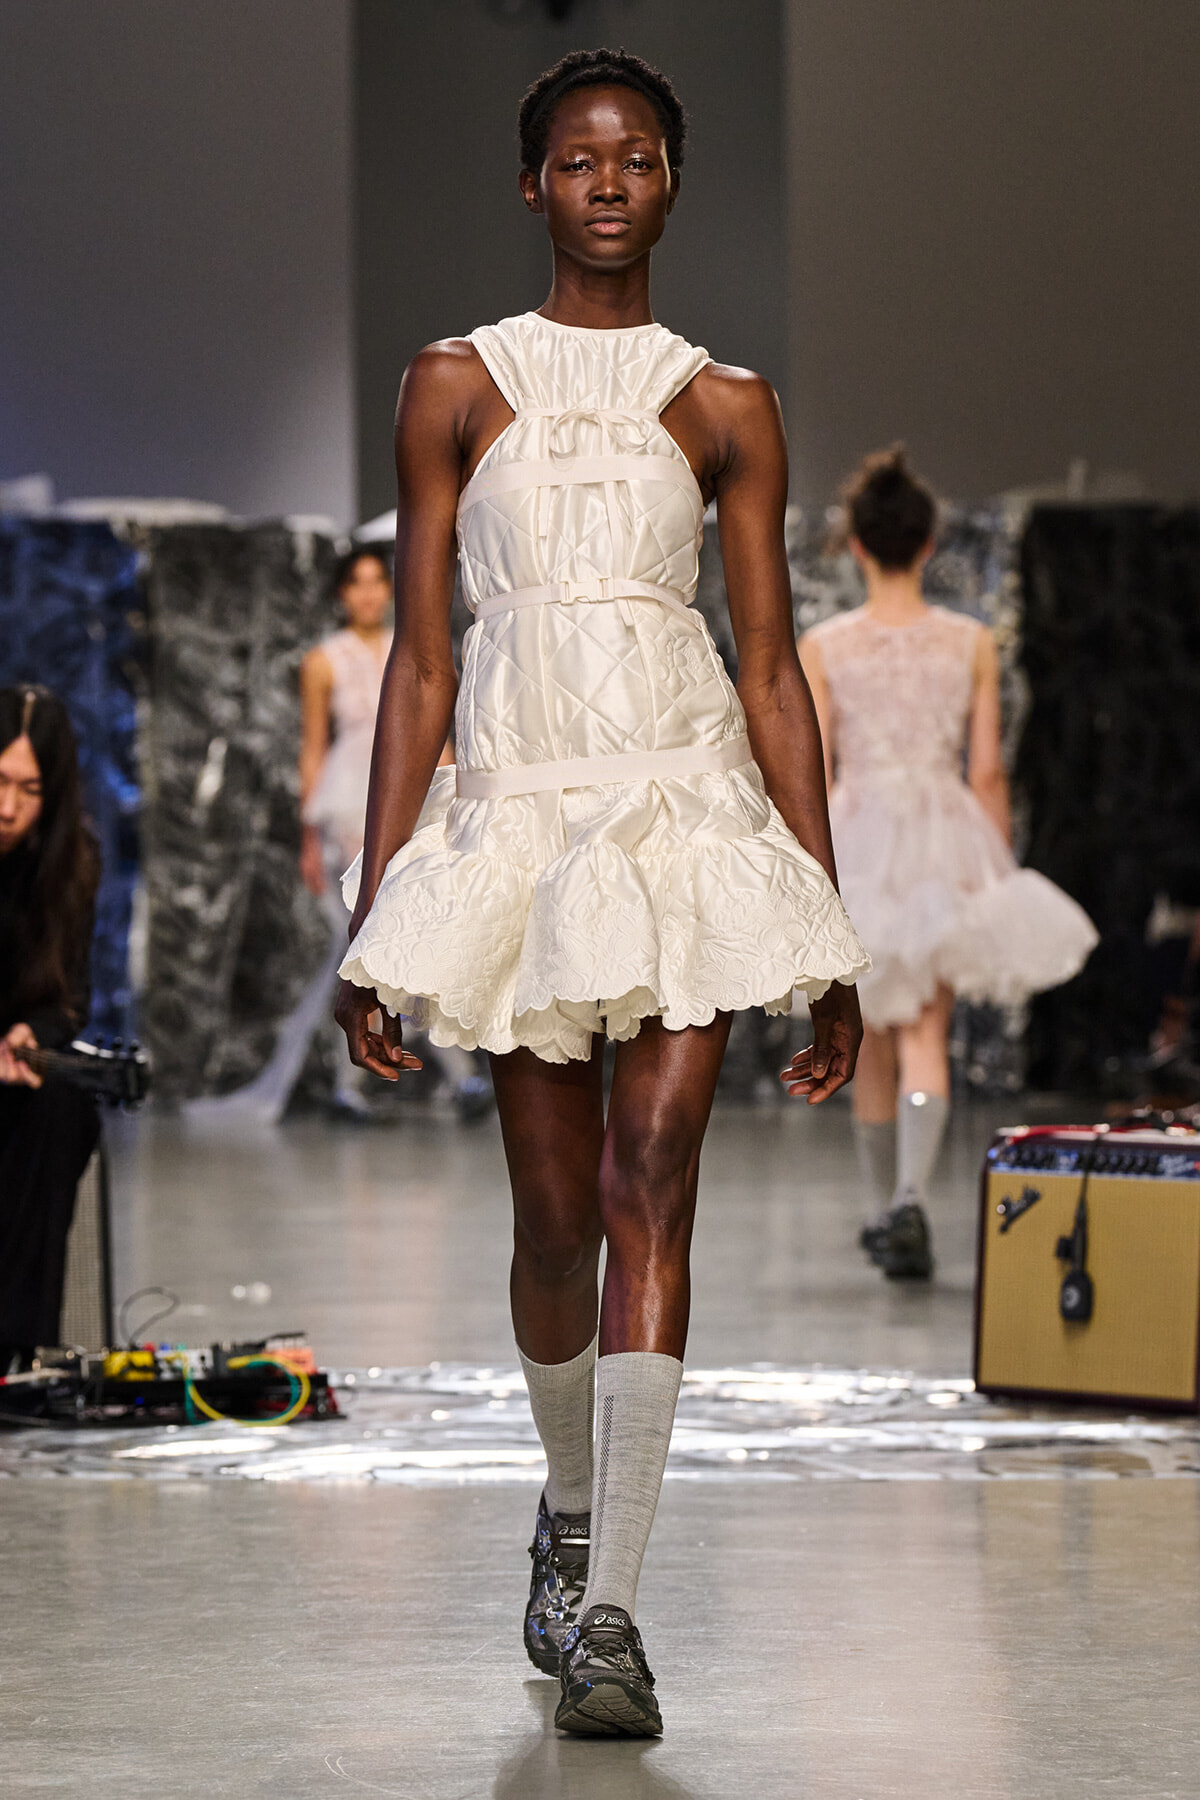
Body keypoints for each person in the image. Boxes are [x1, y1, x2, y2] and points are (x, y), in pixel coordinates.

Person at [336, 49, 869, 1737]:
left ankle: (616, 1615)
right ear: (533, 187)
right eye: (578, 160)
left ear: (673, 180)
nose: (611, 181)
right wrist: (377, 913)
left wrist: (825, 927)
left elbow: (771, 668)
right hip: (519, 815)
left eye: (637, 156)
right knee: (555, 1222)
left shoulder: (726, 404)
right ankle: (568, 1520)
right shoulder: (453, 384)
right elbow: (423, 663)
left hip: (680, 808)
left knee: (655, 1183)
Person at [800, 448, 1098, 1280]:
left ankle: (881, 1212)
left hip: (856, 838)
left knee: (865, 1034)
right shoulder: (970, 642)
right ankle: (910, 1202)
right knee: (928, 1028)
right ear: (929, 544)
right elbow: (989, 771)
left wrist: (808, 870)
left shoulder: (824, 645)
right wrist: (993, 870)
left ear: (857, 545)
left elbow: (814, 768)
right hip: (942, 835)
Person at [300, 548, 490, 1121]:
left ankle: (455, 1075)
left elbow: (436, 733)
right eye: (355, 583)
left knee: (417, 923)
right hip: (347, 801)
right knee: (363, 936)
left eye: (376, 581)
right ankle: (354, 1083)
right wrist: (308, 835)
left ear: (389, 589)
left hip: (411, 786)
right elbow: (313, 748)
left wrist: (454, 799)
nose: (367, 593)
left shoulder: (412, 648)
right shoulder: (322, 661)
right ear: (341, 593)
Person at [0, 686, 101, 1366]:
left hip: (11, 1068)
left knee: (63, 1107)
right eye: (0, 782)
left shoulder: (70, 864)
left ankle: (18, 1349)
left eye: (30, 790)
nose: (8, 807)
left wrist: (32, 1036)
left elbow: (69, 1000)